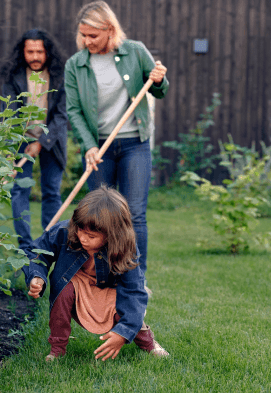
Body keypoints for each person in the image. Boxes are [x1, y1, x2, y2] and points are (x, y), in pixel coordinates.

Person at [64, 1, 169, 275]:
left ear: (110, 30)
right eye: (83, 35)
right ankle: (102, 275)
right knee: (98, 218)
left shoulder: (135, 51)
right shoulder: (76, 65)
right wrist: (88, 146)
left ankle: (137, 279)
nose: (86, 41)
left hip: (135, 143)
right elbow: (73, 110)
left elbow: (159, 89)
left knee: (134, 214)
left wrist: (158, 79)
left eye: (93, 36)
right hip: (100, 148)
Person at [23, 186, 169, 361]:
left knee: (125, 308)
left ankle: (148, 343)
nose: (83, 238)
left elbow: (134, 292)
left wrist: (122, 333)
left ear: (111, 235)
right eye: (80, 231)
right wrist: (37, 276)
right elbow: (37, 252)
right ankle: (57, 349)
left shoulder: (125, 247)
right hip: (77, 281)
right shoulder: (64, 231)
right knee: (63, 292)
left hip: (108, 288)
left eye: (91, 236)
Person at [1, 29, 68, 250]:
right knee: (19, 190)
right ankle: (26, 247)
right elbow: (8, 111)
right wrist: (12, 149)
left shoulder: (59, 75)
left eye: (40, 51)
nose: (35, 56)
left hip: (52, 140)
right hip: (21, 140)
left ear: (47, 52)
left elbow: (61, 115)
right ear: (23, 52)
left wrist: (41, 143)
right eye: (30, 51)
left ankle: (50, 244)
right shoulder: (13, 76)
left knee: (51, 192)